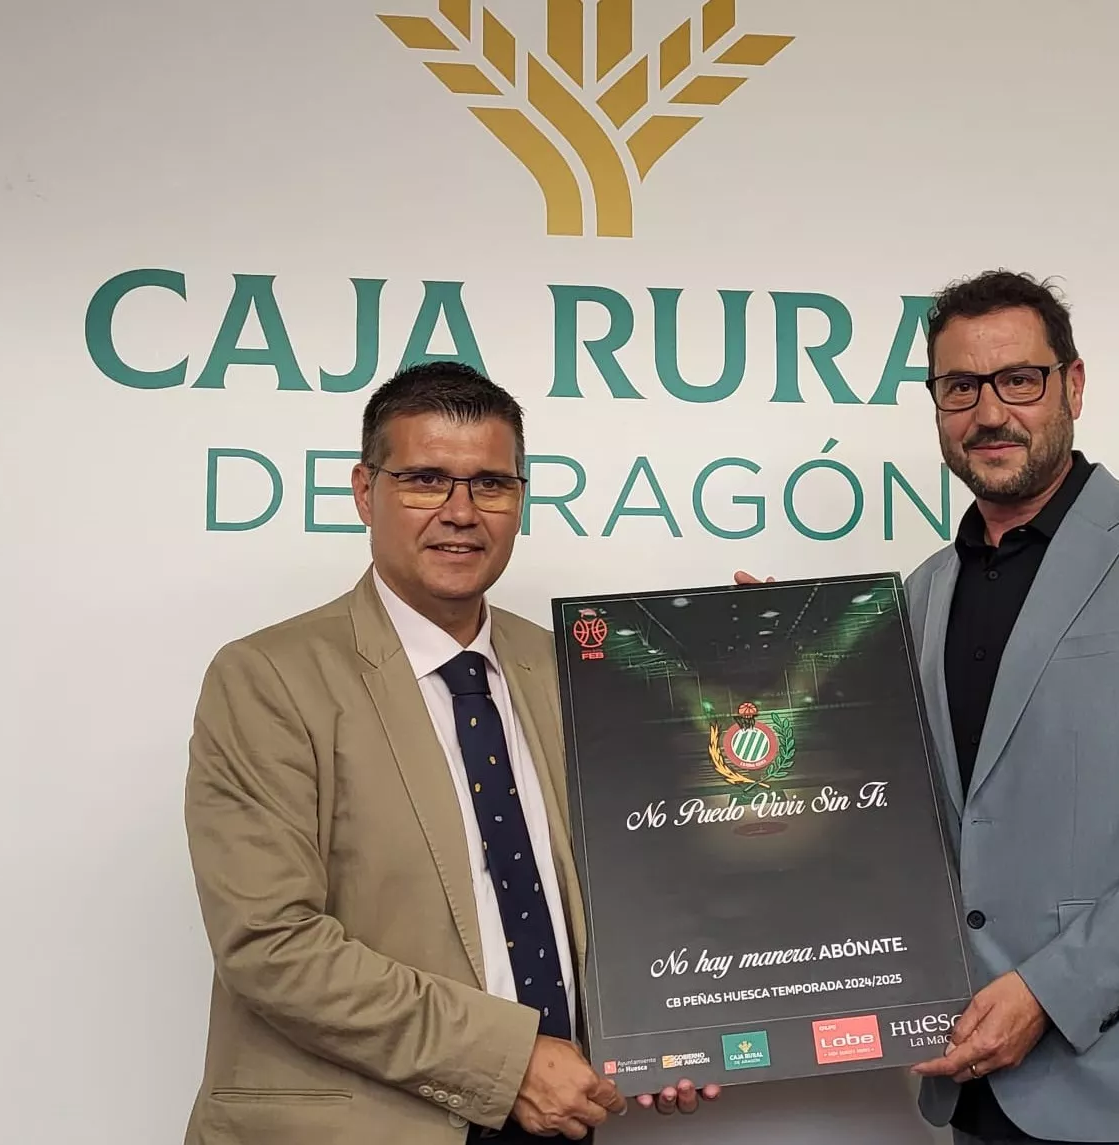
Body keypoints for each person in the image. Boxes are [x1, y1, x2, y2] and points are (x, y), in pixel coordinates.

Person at [737, 270, 1119, 1144]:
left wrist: (1053, 989)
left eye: (1018, 379)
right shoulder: (921, 594)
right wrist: (779, 674)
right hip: (977, 1089)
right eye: (960, 387)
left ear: (1072, 385)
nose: (989, 412)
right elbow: (892, 813)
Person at [181, 361, 718, 1144]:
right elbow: (270, 943)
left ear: (520, 498)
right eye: (426, 479)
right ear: (365, 491)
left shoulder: (569, 668)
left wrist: (669, 1031)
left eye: (491, 484)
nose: (461, 512)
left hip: (563, 1119)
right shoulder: (269, 677)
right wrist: (508, 1061)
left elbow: (647, 871)